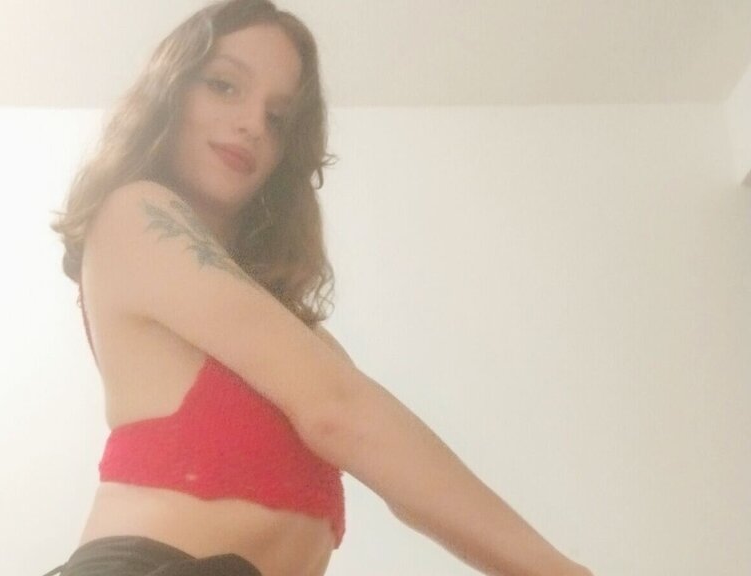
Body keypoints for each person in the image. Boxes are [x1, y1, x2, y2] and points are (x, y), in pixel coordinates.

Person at [48, 1, 593, 575]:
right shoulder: (136, 212)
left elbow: (386, 461)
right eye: (224, 85)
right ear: (171, 92)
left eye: (278, 117)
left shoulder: (303, 342)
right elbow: (341, 413)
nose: (252, 123)